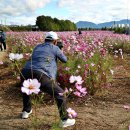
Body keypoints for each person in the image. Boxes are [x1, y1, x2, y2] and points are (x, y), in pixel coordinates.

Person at [20, 31, 75, 128]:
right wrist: (60, 49)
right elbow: (65, 60)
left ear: (45, 39)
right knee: (60, 94)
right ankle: (65, 120)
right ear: (55, 41)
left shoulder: (37, 46)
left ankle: (26, 111)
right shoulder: (55, 47)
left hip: (25, 71)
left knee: (27, 91)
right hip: (40, 73)